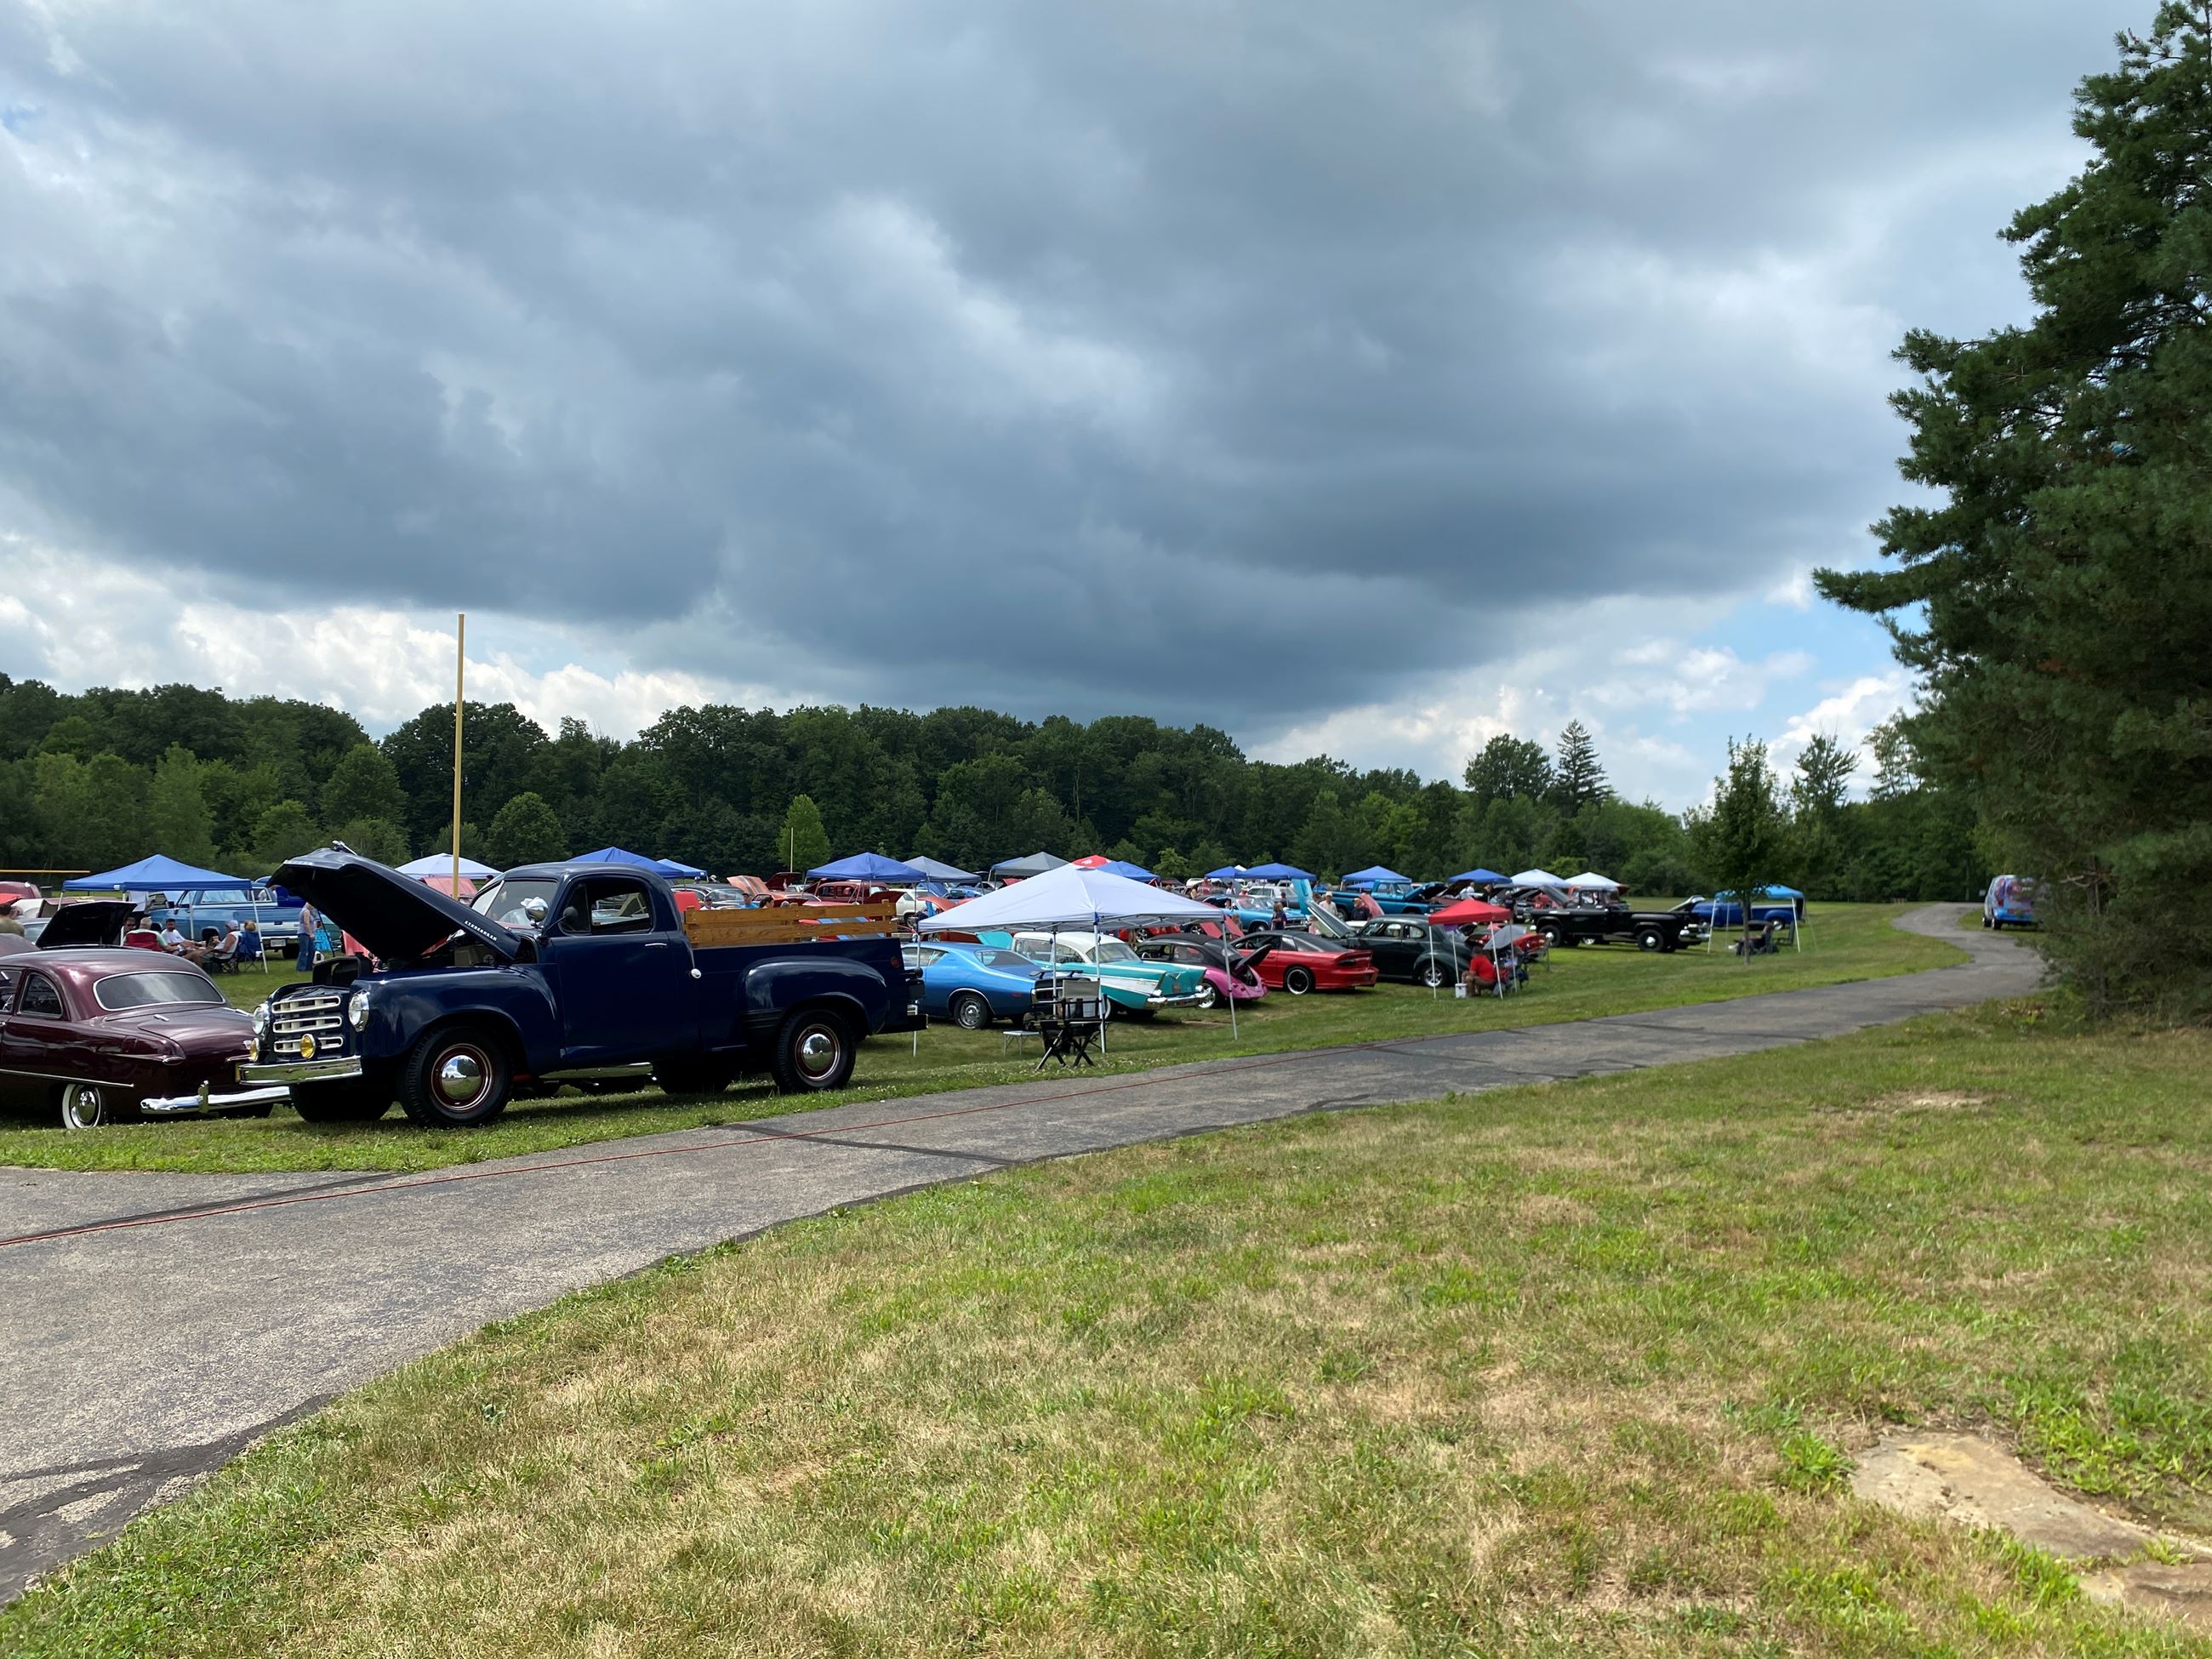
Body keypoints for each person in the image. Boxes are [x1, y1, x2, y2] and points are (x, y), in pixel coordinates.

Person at [296, 904, 319, 972]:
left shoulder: (310, 911)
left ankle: (309, 967)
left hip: (308, 934)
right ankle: (301, 968)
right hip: (304, 933)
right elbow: (306, 923)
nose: (313, 907)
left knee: (311, 950)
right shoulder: (306, 911)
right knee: (304, 951)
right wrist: (310, 933)